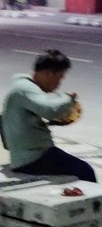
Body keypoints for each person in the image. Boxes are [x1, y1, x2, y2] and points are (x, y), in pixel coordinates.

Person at [1, 49, 96, 181]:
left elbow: (35, 119)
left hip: (31, 154)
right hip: (32, 158)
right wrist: (69, 98)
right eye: (59, 78)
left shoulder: (23, 87)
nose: (59, 84)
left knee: (77, 168)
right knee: (85, 171)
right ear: (48, 73)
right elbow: (50, 110)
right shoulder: (25, 89)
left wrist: (53, 122)